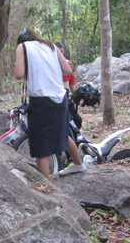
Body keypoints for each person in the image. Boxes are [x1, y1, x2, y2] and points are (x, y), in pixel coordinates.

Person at [14, 30, 86, 178]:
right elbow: (68, 70)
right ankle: (78, 164)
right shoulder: (50, 45)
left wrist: (33, 70)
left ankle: (46, 187)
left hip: (42, 101)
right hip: (60, 98)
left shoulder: (22, 47)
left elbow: (19, 74)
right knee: (62, 132)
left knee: (41, 146)